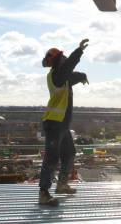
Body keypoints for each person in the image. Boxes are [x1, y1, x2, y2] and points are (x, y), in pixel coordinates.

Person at [38, 38, 89, 207]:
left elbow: (72, 75)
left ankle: (62, 185)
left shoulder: (62, 76)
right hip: (54, 124)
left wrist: (83, 76)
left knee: (69, 153)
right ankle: (44, 193)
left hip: (62, 125)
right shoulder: (56, 75)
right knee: (51, 159)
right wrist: (79, 51)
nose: (65, 59)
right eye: (63, 57)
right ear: (58, 60)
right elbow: (68, 70)